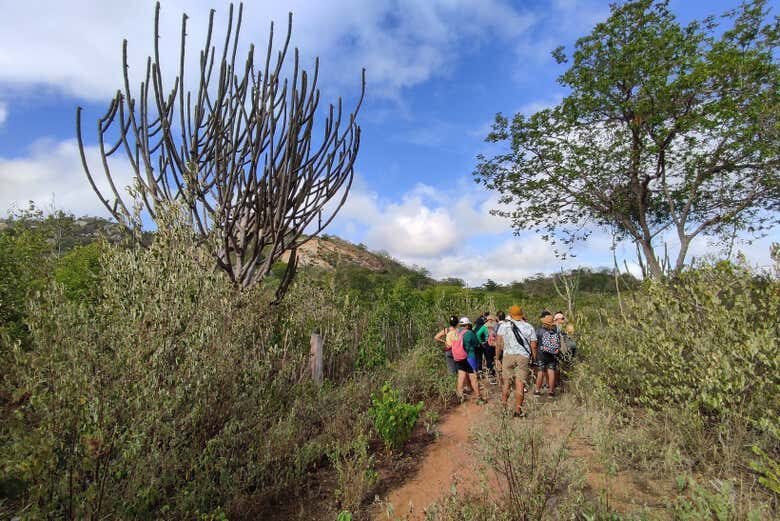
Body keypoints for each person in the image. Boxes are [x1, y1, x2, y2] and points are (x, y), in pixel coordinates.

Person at [496, 305, 537, 417]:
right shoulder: (529, 327)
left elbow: (498, 344)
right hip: (523, 357)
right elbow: (534, 346)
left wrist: (497, 358)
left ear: (510, 314)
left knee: (506, 383)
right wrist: (534, 359)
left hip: (508, 356)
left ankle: (503, 408)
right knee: (520, 384)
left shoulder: (503, 326)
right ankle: (518, 411)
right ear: (521, 314)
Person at [452, 317, 486, 404]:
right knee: (473, 377)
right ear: (467, 325)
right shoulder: (469, 333)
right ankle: (479, 398)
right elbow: (476, 343)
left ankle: (460, 396)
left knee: (461, 376)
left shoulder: (456, 332)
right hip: (469, 357)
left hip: (459, 358)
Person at [534, 312, 561, 397]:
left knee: (541, 372)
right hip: (552, 354)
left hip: (541, 354)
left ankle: (537, 390)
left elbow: (535, 344)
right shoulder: (555, 331)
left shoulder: (539, 331)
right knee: (551, 371)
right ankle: (551, 391)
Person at [475, 315, 499, 384]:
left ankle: (490, 375)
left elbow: (478, 334)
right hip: (496, 344)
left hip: (487, 344)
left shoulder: (484, 326)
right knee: (496, 359)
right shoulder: (496, 325)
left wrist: (481, 342)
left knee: (489, 360)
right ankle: (496, 373)